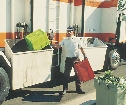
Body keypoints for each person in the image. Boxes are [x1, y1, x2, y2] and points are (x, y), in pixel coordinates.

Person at [52, 26, 87, 95]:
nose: (69, 32)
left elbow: (81, 48)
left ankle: (79, 89)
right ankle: (65, 89)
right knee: (66, 75)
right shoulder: (64, 40)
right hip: (68, 60)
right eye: (68, 31)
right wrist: (52, 44)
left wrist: (85, 56)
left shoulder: (77, 39)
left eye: (70, 31)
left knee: (78, 75)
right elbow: (58, 46)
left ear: (73, 32)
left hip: (76, 59)